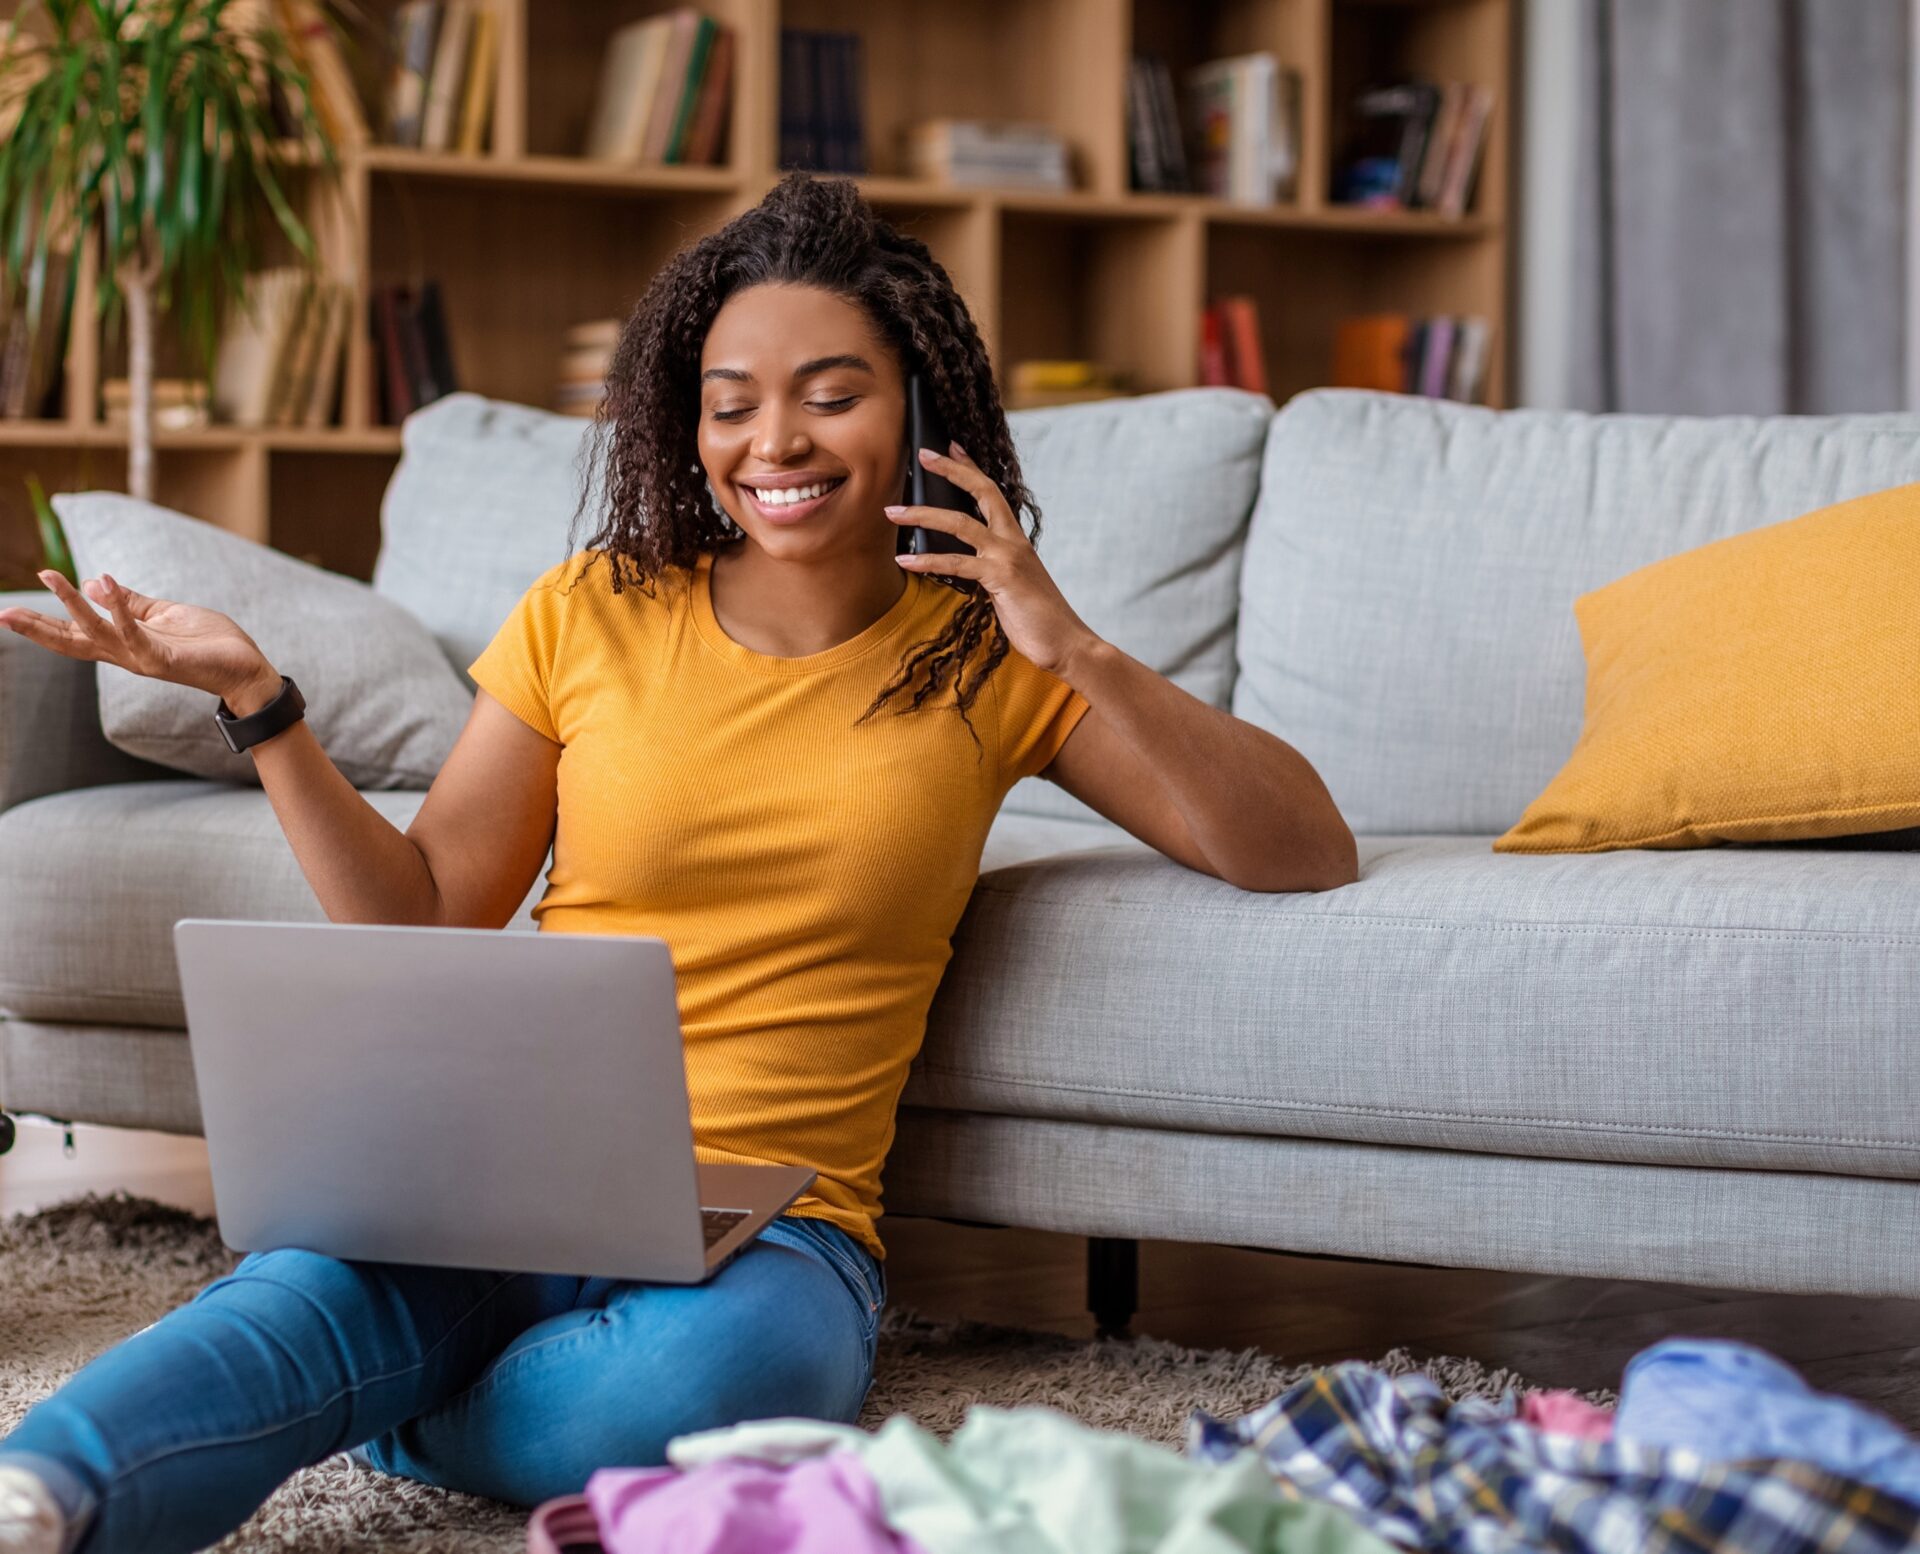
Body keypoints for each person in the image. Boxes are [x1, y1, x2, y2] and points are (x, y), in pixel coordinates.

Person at [0, 171, 1358, 1554]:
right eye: (733, 401)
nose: (778, 438)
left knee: (704, 1387)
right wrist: (265, 710)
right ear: (688, 420)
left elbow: (1303, 847)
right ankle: (43, 1492)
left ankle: (385, 1404)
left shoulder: (988, 657)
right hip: (518, 1165)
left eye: (833, 394)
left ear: (920, 410)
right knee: (303, 1291)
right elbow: (423, 914)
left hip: (782, 1234)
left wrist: (1075, 646)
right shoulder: (592, 610)